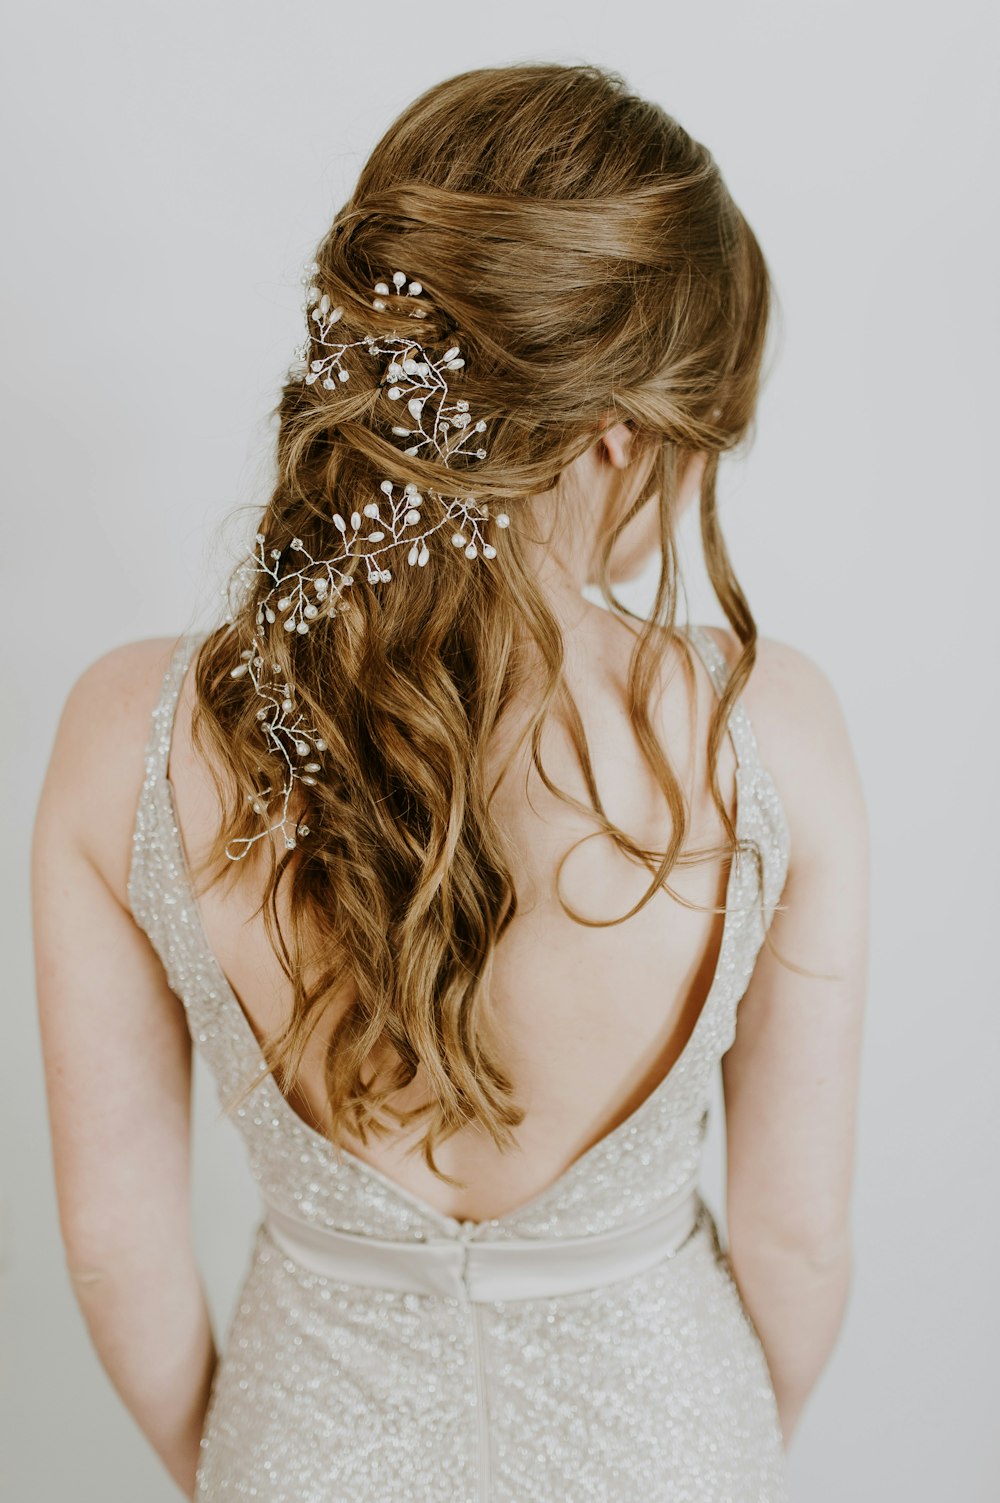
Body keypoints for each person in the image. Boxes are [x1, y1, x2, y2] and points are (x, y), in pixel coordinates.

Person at [31, 61, 868, 1503]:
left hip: (306, 1453)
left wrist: (236, 1463)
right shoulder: (768, 730)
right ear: (622, 430)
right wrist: (712, 1441)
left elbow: (114, 1241)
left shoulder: (127, 730)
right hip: (668, 1450)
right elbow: (796, 1240)